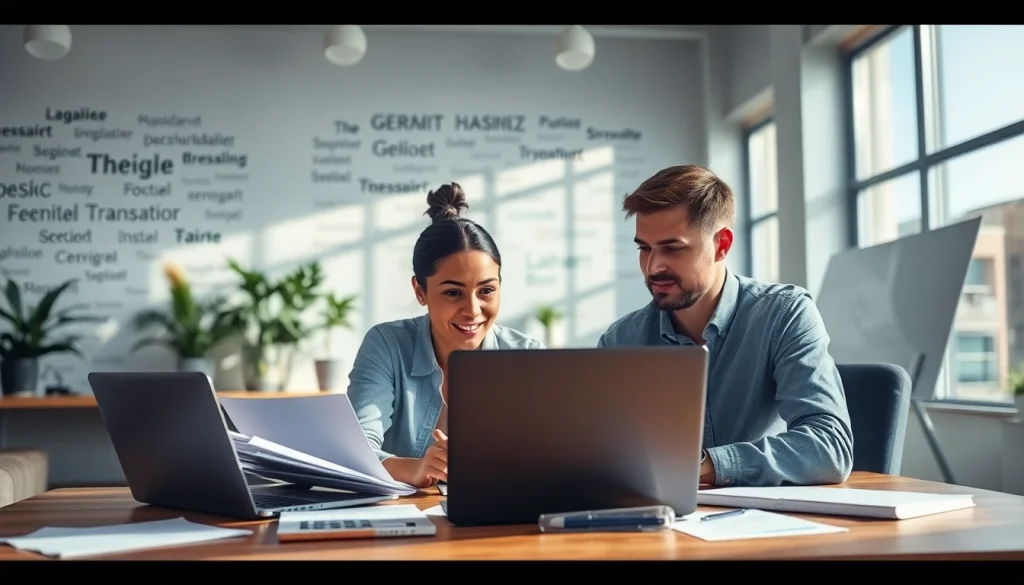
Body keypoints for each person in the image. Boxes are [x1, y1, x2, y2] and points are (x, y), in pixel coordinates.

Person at [598, 164, 854, 488]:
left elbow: (829, 447)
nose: (653, 266)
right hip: (656, 523)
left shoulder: (784, 315)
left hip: (766, 525)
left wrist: (702, 467)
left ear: (722, 245)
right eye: (644, 248)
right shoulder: (621, 341)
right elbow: (603, 456)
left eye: (672, 248)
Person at [347, 182, 544, 489]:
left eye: (487, 290)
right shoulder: (387, 346)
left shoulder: (527, 354)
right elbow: (356, 453)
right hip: (409, 521)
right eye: (453, 292)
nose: (473, 310)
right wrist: (417, 469)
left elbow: (547, 458)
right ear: (420, 291)